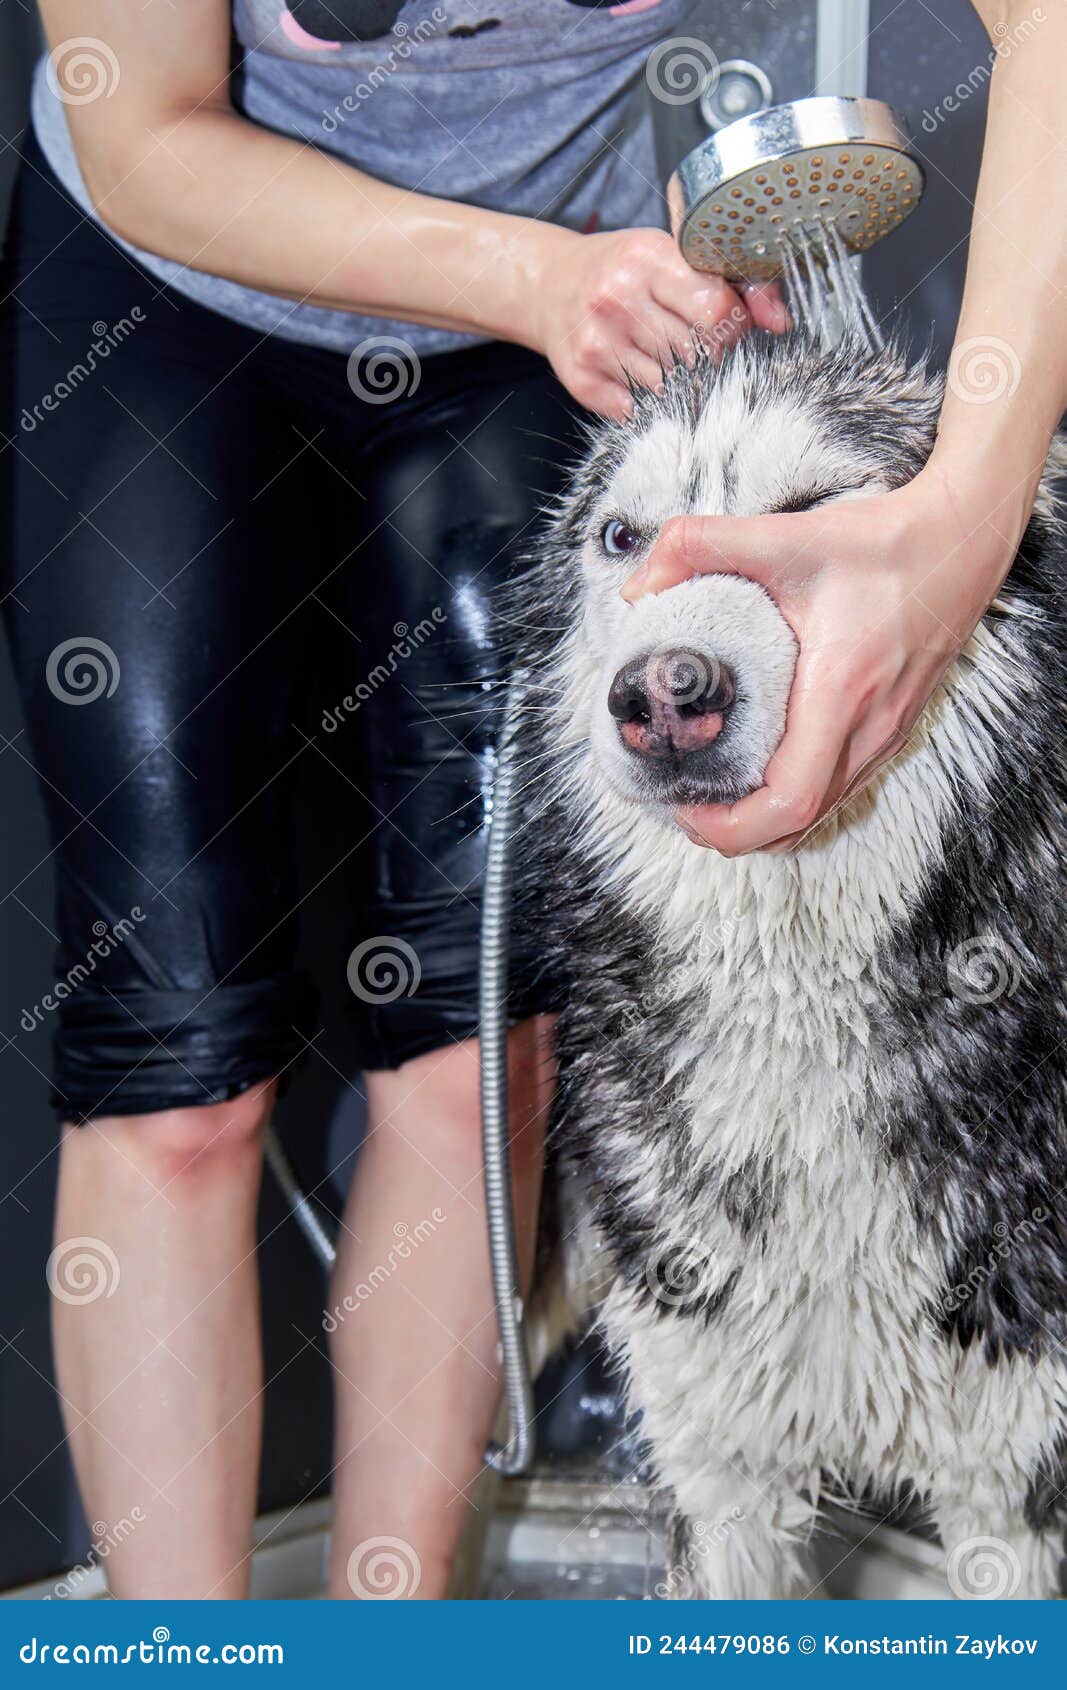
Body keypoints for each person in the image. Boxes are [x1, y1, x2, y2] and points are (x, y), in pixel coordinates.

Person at [1, 0, 780, 1600]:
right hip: (170, 289)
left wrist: (764, 211)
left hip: (534, 315)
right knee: (176, 1072)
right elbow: (145, 133)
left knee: (471, 1046)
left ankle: (389, 1634)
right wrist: (540, 278)